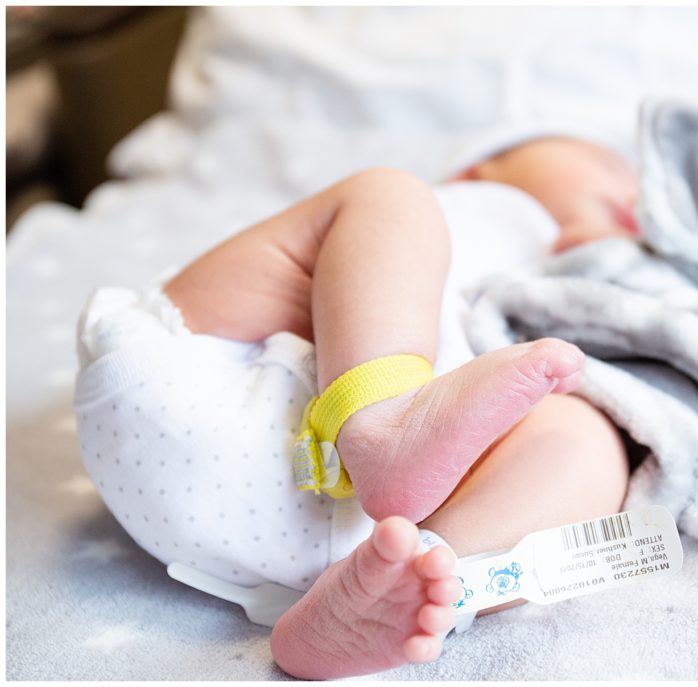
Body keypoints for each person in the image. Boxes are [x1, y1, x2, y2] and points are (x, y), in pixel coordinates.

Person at [74, 136, 640, 680]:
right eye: (609, 163)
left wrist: (612, 265)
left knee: (586, 435)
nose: (636, 190)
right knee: (387, 194)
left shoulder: (629, 280)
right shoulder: (477, 209)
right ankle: (380, 421)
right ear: (481, 167)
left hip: (366, 539)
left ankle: (426, 581)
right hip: (208, 373)